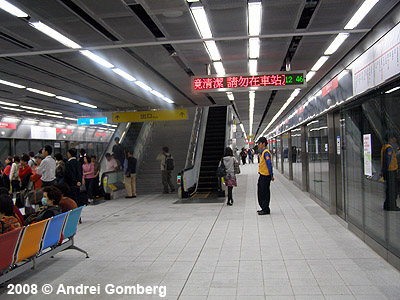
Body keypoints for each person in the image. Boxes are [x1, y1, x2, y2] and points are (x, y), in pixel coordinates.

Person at [381, 131, 399, 211]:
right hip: (391, 171)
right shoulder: (389, 148)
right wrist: (385, 170)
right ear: (391, 139)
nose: (396, 140)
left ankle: (387, 205)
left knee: (388, 189)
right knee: (392, 189)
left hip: (387, 171)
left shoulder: (385, 146)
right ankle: (392, 206)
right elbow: (388, 160)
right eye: (395, 138)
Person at [257, 137, 274, 215]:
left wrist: (271, 175)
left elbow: (269, 164)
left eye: (259, 143)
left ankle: (266, 209)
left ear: (263, 143)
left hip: (265, 176)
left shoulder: (266, 153)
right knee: (261, 192)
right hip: (262, 175)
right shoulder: (263, 152)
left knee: (265, 192)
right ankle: (263, 207)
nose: (258, 145)